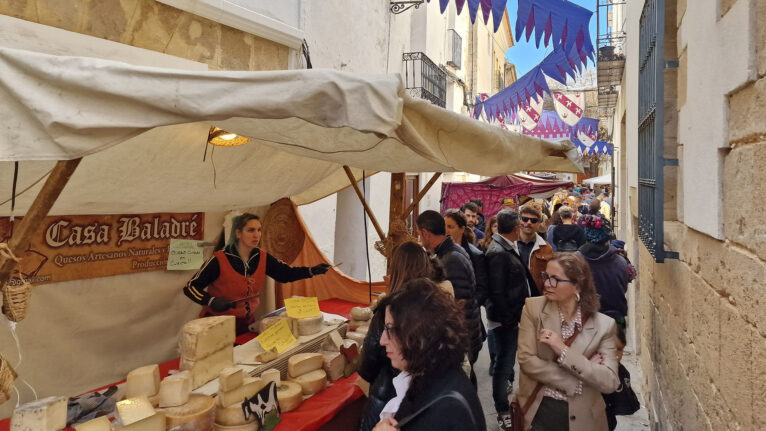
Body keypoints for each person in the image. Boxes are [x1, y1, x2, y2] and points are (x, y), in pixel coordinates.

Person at [516, 253, 620, 431]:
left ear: (577, 286)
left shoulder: (604, 326)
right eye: (546, 277)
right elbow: (526, 360)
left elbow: (609, 382)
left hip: (585, 418)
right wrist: (575, 379)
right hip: (539, 411)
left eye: (555, 279)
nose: (547, 284)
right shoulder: (533, 309)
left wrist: (562, 349)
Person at [183, 213, 331, 334]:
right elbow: (190, 287)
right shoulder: (219, 259)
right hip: (216, 325)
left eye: (259, 230)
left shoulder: (263, 257)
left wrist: (311, 271)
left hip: (246, 323)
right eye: (251, 230)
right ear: (238, 233)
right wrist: (211, 301)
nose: (257, 235)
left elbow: (285, 274)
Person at [372, 279, 486, 431]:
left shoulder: (442, 411)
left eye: (390, 329)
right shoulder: (439, 378)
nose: (382, 340)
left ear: (417, 334)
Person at [358, 241, 448, 431]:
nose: (384, 339)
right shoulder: (437, 302)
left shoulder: (391, 308)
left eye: (389, 331)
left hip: (389, 394)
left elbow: (369, 361)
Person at [415, 210, 484, 385]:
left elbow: (457, 306)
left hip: (462, 339)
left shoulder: (450, 259)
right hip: (465, 336)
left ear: (425, 233)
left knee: (463, 387)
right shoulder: (449, 252)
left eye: (418, 235)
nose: (419, 239)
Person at [485, 209, 538, 431]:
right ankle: (502, 410)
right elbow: (497, 292)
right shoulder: (499, 251)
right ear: (515, 229)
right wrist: (509, 320)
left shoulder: (504, 246)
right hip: (505, 321)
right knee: (503, 367)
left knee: (505, 365)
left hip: (511, 317)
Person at [576, 214, 634, 331]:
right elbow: (628, 278)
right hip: (615, 319)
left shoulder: (575, 261)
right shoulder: (621, 262)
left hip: (585, 318)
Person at [517, 205, 554, 293]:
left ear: (538, 224)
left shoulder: (546, 248)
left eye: (533, 220)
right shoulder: (509, 243)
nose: (529, 222)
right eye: (525, 219)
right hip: (512, 298)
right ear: (519, 221)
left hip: (535, 297)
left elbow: (550, 275)